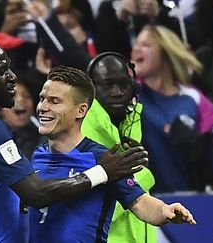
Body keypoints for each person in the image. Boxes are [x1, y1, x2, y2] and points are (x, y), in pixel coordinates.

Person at [0, 40, 148, 242]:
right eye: (1, 72)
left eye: (9, 68)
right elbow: (36, 193)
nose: (12, 77)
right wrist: (103, 172)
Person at [28, 65, 196, 243]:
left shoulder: (104, 159)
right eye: (42, 99)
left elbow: (140, 202)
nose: (43, 107)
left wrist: (165, 211)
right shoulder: (38, 155)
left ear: (81, 110)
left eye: (54, 101)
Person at [131, 25, 213, 192]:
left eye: (146, 45)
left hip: (189, 200)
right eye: (136, 43)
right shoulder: (129, 95)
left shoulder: (194, 98)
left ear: (165, 52)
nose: (136, 49)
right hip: (144, 203)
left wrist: (197, 146)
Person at [82, 52, 156, 242]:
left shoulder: (132, 124)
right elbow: (93, 212)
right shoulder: (82, 137)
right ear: (91, 89)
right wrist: (142, 175)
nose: (118, 92)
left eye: (123, 84)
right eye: (107, 85)